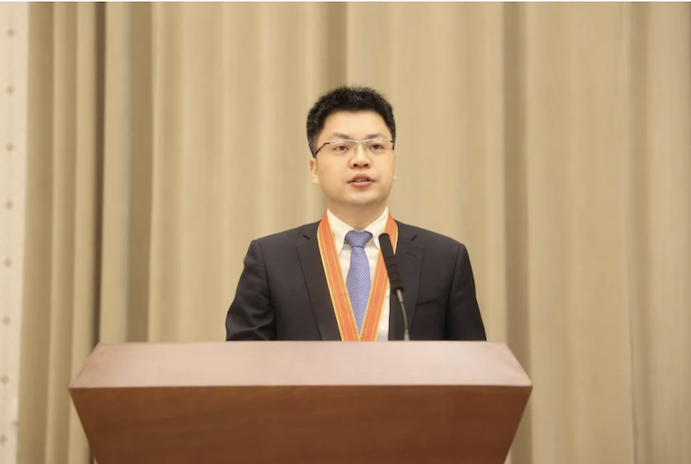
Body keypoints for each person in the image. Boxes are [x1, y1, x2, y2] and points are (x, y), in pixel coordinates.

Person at [225, 86, 486, 341]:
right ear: (314, 170)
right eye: (341, 147)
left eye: (376, 146)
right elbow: (244, 363)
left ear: (394, 163)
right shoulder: (271, 260)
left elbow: (474, 364)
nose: (360, 159)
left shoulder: (444, 259)